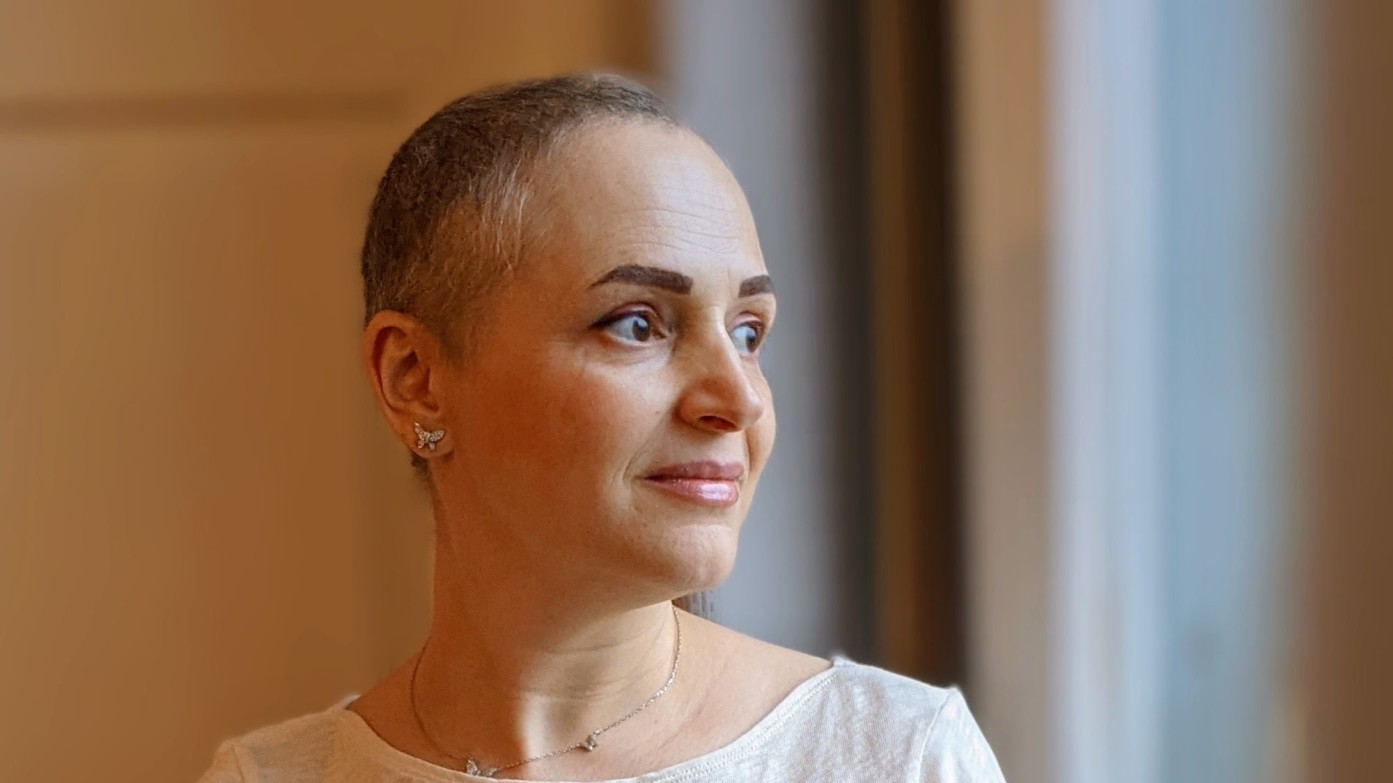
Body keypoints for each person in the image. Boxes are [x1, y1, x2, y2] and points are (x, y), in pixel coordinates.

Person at [196, 74, 1005, 782]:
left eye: (747, 331)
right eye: (636, 324)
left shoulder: (892, 756)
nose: (738, 398)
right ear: (416, 379)